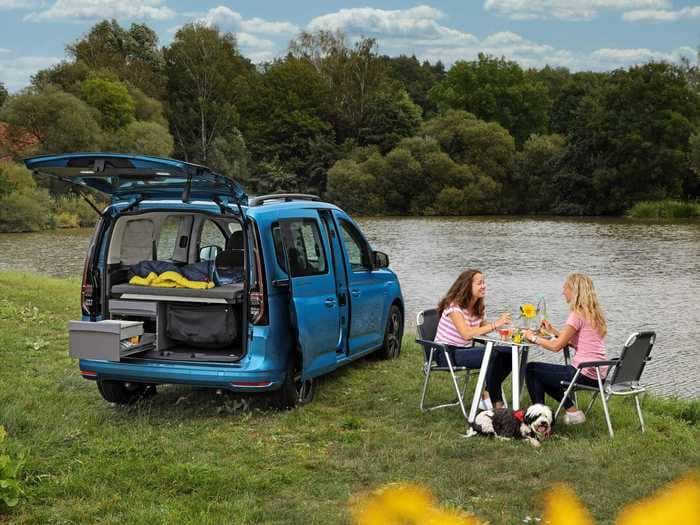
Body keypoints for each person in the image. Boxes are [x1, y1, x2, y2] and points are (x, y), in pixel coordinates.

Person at [523, 273, 608, 425]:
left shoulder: (576, 314)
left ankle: (538, 420)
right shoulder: (593, 314)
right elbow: (574, 340)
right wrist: (552, 331)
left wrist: (532, 337)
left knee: (532, 370)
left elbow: (556, 346)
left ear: (574, 291)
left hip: (582, 373)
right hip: (598, 376)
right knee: (545, 375)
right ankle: (572, 411)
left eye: (565, 288)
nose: (563, 292)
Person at [434, 269, 512, 410]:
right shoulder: (453, 306)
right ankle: (496, 403)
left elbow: (482, 328)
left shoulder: (478, 306)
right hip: (446, 353)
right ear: (467, 286)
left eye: (484, 282)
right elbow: (467, 334)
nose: (484, 286)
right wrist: (496, 324)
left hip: (465, 350)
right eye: (479, 283)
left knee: (509, 353)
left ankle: (487, 394)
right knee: (492, 354)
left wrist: (506, 331)